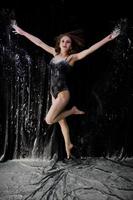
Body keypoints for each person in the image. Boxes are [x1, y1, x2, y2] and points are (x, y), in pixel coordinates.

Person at [12, 23, 120, 159]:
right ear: (59, 43)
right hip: (53, 93)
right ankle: (68, 145)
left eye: (67, 42)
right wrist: (22, 32)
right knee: (61, 121)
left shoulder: (72, 58)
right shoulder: (54, 52)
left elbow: (90, 49)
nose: (64, 43)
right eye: (62, 41)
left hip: (63, 93)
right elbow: (39, 42)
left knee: (49, 120)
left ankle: (72, 111)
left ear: (71, 46)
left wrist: (108, 38)